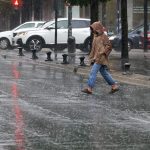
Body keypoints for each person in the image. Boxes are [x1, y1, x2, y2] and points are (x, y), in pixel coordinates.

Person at [82, 21, 119, 94]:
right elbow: (94, 48)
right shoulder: (95, 36)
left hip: (101, 57)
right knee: (104, 72)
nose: (92, 30)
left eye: (93, 28)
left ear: (97, 28)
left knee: (93, 72)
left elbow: (109, 46)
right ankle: (114, 86)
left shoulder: (103, 36)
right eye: (92, 29)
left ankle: (89, 88)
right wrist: (93, 57)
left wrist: (102, 52)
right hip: (97, 57)